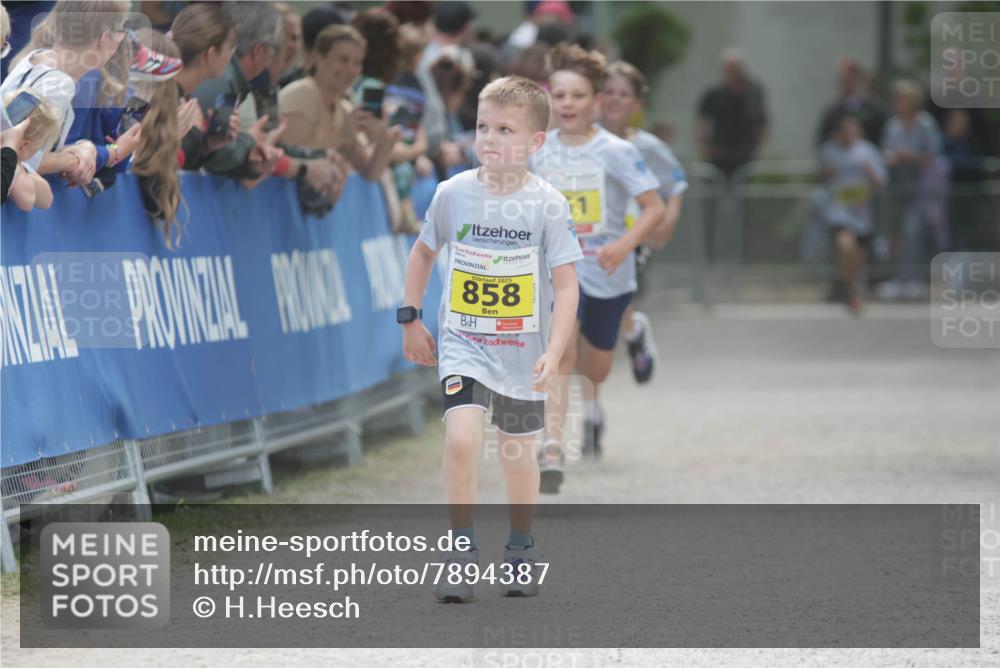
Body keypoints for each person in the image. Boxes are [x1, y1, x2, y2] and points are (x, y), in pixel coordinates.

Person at [401, 75, 581, 602]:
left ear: (535, 142)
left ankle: (521, 545)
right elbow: (422, 253)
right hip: (464, 343)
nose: (489, 138)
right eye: (483, 126)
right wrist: (410, 317)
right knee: (460, 439)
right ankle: (459, 552)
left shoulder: (548, 204)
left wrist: (553, 350)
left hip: (524, 353)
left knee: (517, 454)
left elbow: (567, 287)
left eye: (505, 129)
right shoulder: (452, 193)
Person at [530, 44, 664, 487]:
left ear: (597, 101)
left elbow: (653, 206)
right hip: (555, 271)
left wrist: (624, 245)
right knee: (560, 353)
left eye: (578, 95)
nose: (567, 104)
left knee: (597, 367)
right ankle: (550, 447)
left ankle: (629, 336)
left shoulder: (617, 151)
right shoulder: (537, 150)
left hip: (607, 272)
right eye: (560, 95)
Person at [601, 60, 687, 385]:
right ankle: (632, 331)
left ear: (636, 103)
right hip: (589, 235)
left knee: (617, 298)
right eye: (608, 91)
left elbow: (674, 186)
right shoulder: (580, 143)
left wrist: (665, 224)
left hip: (630, 237)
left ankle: (631, 331)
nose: (614, 99)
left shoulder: (648, 147)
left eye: (623, 94)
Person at [0, 0, 132, 186]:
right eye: (120, 33)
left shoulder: (35, 59)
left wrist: (85, 149)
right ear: (104, 38)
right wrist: (74, 160)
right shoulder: (59, 84)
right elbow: (18, 155)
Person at [279, 24, 398, 182]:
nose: (351, 69)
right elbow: (290, 156)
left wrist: (384, 139)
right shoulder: (301, 95)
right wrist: (343, 135)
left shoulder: (344, 108)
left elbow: (370, 173)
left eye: (357, 63)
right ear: (319, 58)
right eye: (343, 60)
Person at [877, 80, 943, 300]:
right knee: (896, 234)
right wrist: (894, 158)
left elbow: (934, 156)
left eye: (903, 99)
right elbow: (885, 154)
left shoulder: (925, 124)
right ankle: (900, 277)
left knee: (913, 232)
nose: (899, 103)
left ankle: (915, 277)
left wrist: (911, 157)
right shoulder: (893, 126)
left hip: (921, 188)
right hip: (898, 187)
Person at [817, 113, 887, 314]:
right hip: (839, 211)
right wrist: (828, 172)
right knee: (846, 247)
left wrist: (870, 174)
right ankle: (854, 296)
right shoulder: (830, 150)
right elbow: (820, 174)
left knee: (856, 260)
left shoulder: (867, 151)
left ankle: (841, 284)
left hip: (861, 213)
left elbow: (881, 180)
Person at [694, 47, 769, 179]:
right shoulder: (713, 94)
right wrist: (703, 148)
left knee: (743, 195)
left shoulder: (753, 93)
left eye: (736, 67)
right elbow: (701, 122)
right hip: (717, 154)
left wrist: (758, 148)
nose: (733, 71)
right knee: (713, 194)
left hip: (745, 154)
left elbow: (763, 121)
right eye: (729, 67)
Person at [2, 89, 58, 210]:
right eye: (37, 149)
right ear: (23, 146)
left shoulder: (16, 165)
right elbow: (27, 201)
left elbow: (47, 198)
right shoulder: (10, 164)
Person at [815, 56, 887, 146]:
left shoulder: (872, 107)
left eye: (852, 74)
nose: (848, 79)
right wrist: (837, 138)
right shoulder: (833, 112)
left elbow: (883, 132)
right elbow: (821, 140)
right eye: (844, 76)